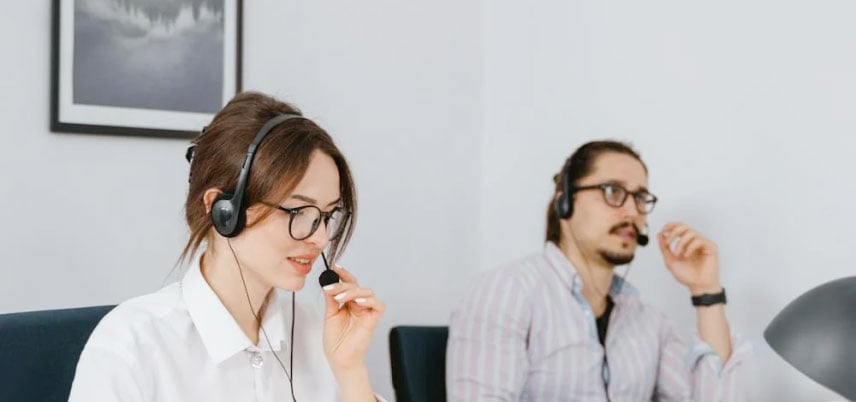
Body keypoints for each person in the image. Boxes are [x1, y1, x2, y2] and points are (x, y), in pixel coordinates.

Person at [69, 92, 387, 402]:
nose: (320, 238)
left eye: (328, 214)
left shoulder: (317, 334)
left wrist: (350, 371)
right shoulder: (132, 345)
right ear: (224, 211)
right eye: (299, 212)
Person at [446, 140, 748, 401]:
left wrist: (705, 290)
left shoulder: (648, 322)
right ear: (565, 201)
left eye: (640, 198)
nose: (631, 212)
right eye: (612, 191)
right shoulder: (507, 292)